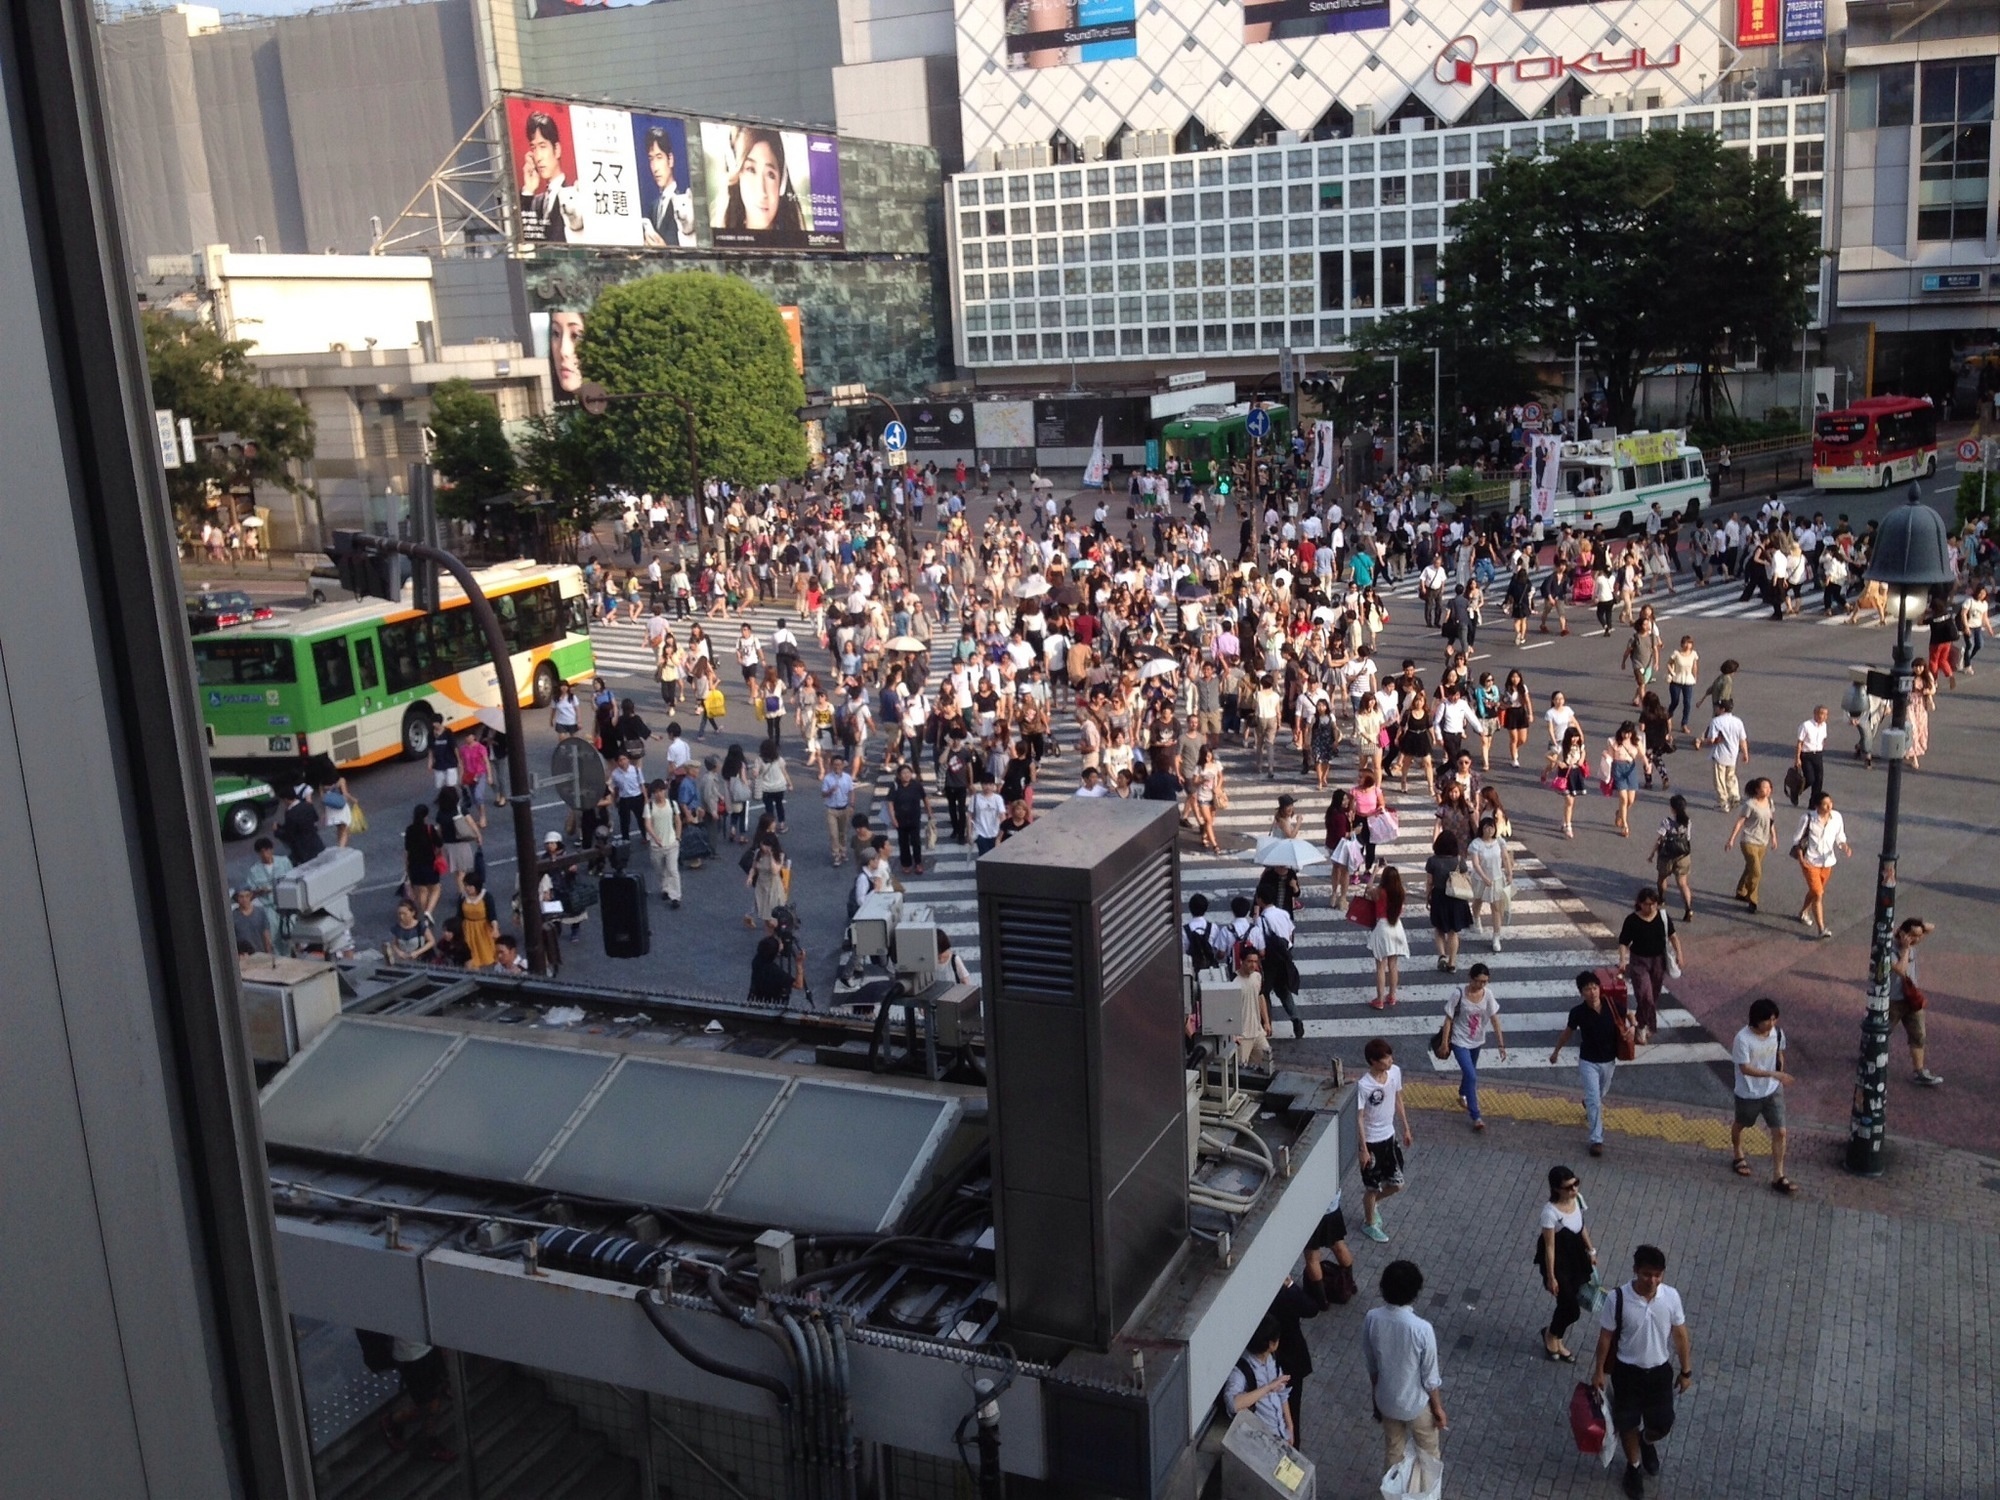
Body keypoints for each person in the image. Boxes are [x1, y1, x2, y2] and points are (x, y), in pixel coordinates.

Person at [1590, 1245, 1693, 1500]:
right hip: (1627, 1373)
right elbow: (1605, 1338)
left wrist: (1686, 1371)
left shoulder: (1670, 1298)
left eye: (1658, 1275)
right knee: (1628, 1423)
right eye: (1647, 1274)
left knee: (1664, 1422)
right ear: (1636, 1271)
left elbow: (1680, 1335)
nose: (1653, 1281)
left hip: (1659, 1373)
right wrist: (1599, 1372)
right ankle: (1633, 1468)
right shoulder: (1618, 1299)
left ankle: (1646, 1442)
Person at [1362, 1260, 1446, 1481]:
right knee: (1429, 1456)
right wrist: (1438, 1409)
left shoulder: (1372, 1318)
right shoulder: (1422, 1329)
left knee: (1393, 1452)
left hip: (1386, 1400)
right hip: (1416, 1405)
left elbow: (1373, 1366)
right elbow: (1430, 1378)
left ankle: (1392, 1492)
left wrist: (1376, 1400)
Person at [1549, 971, 1625, 1157]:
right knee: (1595, 1101)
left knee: (1601, 1092)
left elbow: (1627, 1016)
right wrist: (1556, 1052)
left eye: (1594, 987)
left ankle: (1589, 1102)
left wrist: (1632, 1028)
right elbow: (1567, 1033)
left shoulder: (1612, 1005)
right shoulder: (1578, 1012)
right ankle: (1596, 1139)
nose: (1592, 992)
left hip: (1609, 1060)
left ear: (1600, 988)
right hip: (1588, 1062)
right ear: (1581, 992)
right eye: (1587, 989)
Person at [1730, 997, 1797, 1195]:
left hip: (1772, 1091)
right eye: (1768, 1020)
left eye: (1774, 1019)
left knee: (1780, 1131)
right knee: (1742, 1124)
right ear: (1755, 1020)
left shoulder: (1776, 1033)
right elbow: (1745, 1068)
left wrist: (1779, 1071)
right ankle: (1737, 1153)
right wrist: (1773, 1074)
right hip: (1749, 1093)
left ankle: (1778, 1175)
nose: (1772, 1024)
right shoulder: (1742, 1039)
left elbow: (1779, 1053)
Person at [1535, 1164, 1598, 1362]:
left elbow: (1582, 1226)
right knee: (1571, 1307)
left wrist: (1591, 1249)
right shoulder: (1550, 1213)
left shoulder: (1577, 1199)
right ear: (1556, 1189)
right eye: (1568, 1187)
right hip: (1559, 1263)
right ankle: (1551, 1335)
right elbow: (1549, 1247)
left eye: (1576, 1184)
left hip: (1576, 1257)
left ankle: (1555, 1337)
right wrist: (1551, 1277)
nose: (1574, 1190)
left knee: (1567, 1304)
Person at [1356, 1038, 1412, 1241]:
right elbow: (1359, 1118)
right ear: (1373, 1061)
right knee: (1372, 1186)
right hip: (1371, 1141)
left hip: (1389, 1137)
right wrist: (1363, 1149)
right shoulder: (1363, 1085)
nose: (1390, 1061)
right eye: (1385, 1059)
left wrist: (1405, 1127)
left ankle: (1372, 1204)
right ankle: (1369, 1222)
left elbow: (1398, 1100)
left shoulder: (1395, 1073)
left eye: (1390, 1057)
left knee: (1397, 1183)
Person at [1443, 962, 1506, 1130]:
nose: (1481, 985)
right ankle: (1476, 1115)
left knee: (1469, 1072)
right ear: (1470, 978)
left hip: (1477, 1041)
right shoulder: (1458, 994)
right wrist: (1444, 1043)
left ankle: (1462, 1093)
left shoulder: (1488, 995)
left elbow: (1494, 1019)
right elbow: (1448, 1019)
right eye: (1478, 981)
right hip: (1459, 1041)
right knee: (1471, 1075)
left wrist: (1501, 1044)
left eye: (1485, 982)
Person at [1616, 888, 1681, 1045]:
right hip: (1639, 962)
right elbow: (1623, 942)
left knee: (1654, 995)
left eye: (1654, 904)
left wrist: (1680, 954)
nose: (1651, 907)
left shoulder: (1663, 917)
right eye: (1647, 904)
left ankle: (1641, 1024)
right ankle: (1644, 1026)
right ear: (1640, 904)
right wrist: (1623, 960)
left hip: (1658, 961)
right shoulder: (1632, 920)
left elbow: (1673, 936)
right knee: (1645, 996)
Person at [1889, 917, 1945, 1087]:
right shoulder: (1890, 949)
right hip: (1893, 1001)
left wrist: (1919, 926)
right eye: (1913, 936)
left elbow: (1931, 926)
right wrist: (1905, 948)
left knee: (1918, 1035)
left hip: (1911, 999)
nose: (1917, 940)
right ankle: (1867, 1056)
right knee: (1881, 1033)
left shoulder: (1912, 941)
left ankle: (1919, 1071)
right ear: (1903, 934)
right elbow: (1900, 969)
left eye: (1919, 937)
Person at [1218, 1318, 1293, 1443]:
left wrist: (1290, 1427)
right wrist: (1268, 1387)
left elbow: (1282, 1394)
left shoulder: (1272, 1359)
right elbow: (1233, 1404)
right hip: (1261, 1441)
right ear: (1271, 1344)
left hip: (1282, 1434)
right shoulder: (1242, 1370)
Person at [1792, 791, 1852, 938]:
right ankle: (1821, 929)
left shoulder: (1837, 817)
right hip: (1810, 861)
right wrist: (1801, 858)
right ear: (1817, 806)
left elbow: (1839, 836)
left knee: (1814, 891)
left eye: (1830, 803)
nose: (1829, 806)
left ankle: (1803, 912)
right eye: (1825, 804)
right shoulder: (1808, 819)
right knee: (1818, 894)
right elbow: (1797, 839)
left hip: (1827, 861)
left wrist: (1844, 846)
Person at [1722, 777, 1775, 913]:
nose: (1768, 790)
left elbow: (1771, 821)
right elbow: (1740, 822)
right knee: (1756, 871)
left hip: (1763, 841)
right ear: (1757, 789)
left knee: (1750, 867)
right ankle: (1753, 899)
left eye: (1769, 787)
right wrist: (1731, 839)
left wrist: (1774, 837)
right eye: (1765, 787)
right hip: (1749, 841)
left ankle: (1741, 890)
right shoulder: (1750, 804)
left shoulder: (1769, 802)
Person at [1425, 832, 1474, 973]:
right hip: (1456, 897)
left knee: (1439, 928)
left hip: (1439, 897)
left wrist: (1428, 897)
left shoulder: (1432, 861)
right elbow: (1465, 877)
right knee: (1453, 932)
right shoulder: (1459, 861)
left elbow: (1429, 882)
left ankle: (1442, 955)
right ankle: (1452, 963)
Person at [1364, 867, 1409, 1010]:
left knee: (1380, 966)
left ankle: (1379, 999)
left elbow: (1367, 889)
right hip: (1396, 927)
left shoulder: (1379, 892)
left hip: (1382, 928)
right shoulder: (1401, 892)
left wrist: (1375, 870)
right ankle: (1392, 995)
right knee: (1393, 965)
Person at [1465, 816, 1512, 951]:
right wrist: (1484, 877)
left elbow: (1505, 857)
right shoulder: (1476, 844)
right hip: (1481, 880)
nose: (1490, 830)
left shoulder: (1499, 842)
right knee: (1478, 901)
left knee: (1496, 908)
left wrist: (1509, 873)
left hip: (1496, 879)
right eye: (1487, 827)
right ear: (1482, 829)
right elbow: (1476, 864)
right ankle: (1476, 920)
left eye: (1491, 827)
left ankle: (1496, 937)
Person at [1695, 701, 1749, 814]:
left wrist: (1701, 741)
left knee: (1719, 780)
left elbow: (1712, 739)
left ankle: (1723, 803)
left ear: (1722, 709)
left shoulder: (1716, 721)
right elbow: (1742, 739)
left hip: (1720, 754)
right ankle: (1734, 795)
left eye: (1717, 707)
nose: (1716, 709)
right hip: (1733, 754)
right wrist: (1745, 753)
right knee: (1731, 776)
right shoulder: (1738, 721)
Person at [1651, 794, 1694, 920]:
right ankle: (1688, 909)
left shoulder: (1666, 822)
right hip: (1683, 855)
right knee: (1683, 883)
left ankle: (1662, 898)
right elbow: (1688, 838)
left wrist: (1652, 853)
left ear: (1672, 808)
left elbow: (1660, 839)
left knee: (1662, 878)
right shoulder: (1688, 822)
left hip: (1667, 855)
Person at [642, 778, 683, 909]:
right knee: (660, 870)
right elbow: (647, 824)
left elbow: (678, 821)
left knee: (672, 870)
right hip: (656, 846)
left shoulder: (672, 804)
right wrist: (655, 837)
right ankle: (665, 888)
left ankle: (675, 896)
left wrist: (677, 837)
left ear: (665, 791)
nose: (659, 794)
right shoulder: (649, 807)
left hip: (671, 843)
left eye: (661, 791)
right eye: (656, 792)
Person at [886, 762, 932, 875]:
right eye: (903, 773)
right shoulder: (895, 786)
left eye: (908, 773)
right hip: (900, 820)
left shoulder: (916, 785)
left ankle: (918, 863)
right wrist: (893, 818)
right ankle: (906, 864)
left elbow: (925, 798)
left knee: (916, 841)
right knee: (903, 842)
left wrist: (929, 813)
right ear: (899, 775)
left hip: (914, 818)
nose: (906, 775)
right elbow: (890, 803)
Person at [456, 873, 497, 970]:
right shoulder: (462, 897)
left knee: (488, 954)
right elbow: (459, 916)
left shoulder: (486, 896)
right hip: (468, 930)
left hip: (483, 930)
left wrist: (495, 929)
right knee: (470, 957)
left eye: (470, 886)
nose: (467, 888)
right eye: (465, 885)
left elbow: (492, 915)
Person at [1793, 704, 1829, 807]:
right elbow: (1799, 742)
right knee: (1810, 779)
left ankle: (1813, 803)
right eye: (1822, 714)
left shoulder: (1824, 725)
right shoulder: (1806, 725)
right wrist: (1797, 758)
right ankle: (1795, 791)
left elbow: (1823, 739)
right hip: (1806, 754)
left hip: (1818, 754)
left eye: (1826, 715)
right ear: (1815, 714)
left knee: (1819, 780)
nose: (1824, 717)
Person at [385, 899, 436, 963]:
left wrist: (417, 952)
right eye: (399, 914)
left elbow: (431, 941)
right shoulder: (396, 928)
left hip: (420, 960)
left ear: (413, 913)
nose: (401, 917)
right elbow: (394, 943)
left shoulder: (420, 926)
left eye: (404, 914)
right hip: (403, 961)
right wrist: (399, 952)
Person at [231, 886, 273, 957]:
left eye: (247, 896)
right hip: (243, 957)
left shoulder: (260, 912)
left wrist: (269, 954)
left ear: (251, 896)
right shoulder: (233, 916)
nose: (244, 899)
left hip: (260, 955)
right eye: (241, 897)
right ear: (237, 898)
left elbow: (266, 934)